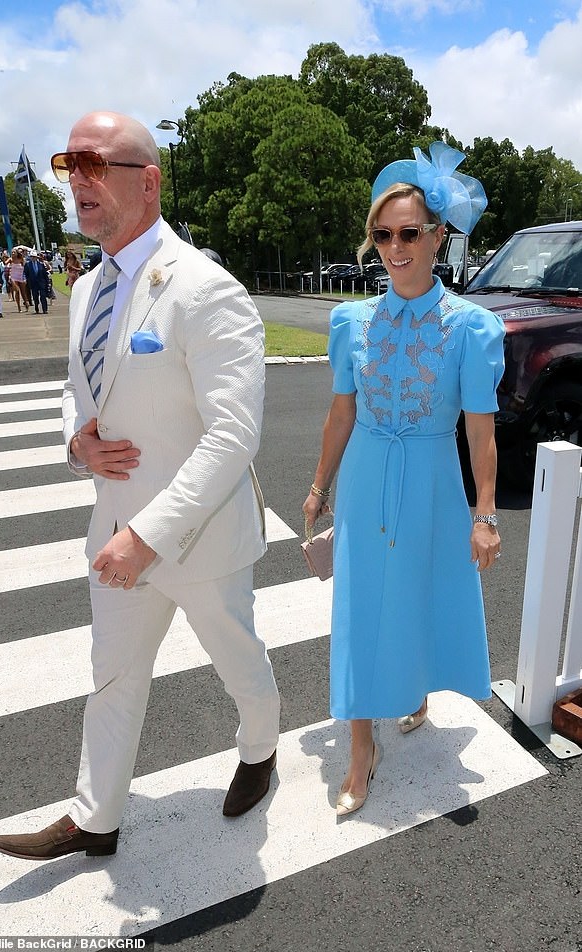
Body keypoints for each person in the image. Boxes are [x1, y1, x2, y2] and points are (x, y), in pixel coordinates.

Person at [0, 110, 280, 861]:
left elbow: (232, 434)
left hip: (196, 537)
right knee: (112, 676)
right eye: (68, 164)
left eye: (93, 164)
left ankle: (260, 749)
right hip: (113, 527)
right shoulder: (88, 287)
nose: (77, 181)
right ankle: (97, 817)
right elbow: (77, 389)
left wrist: (147, 535)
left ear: (146, 183)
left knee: (237, 661)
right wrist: (75, 438)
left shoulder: (207, 290)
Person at [302, 142, 505, 817]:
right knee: (358, 607)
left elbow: (480, 431)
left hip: (431, 481)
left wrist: (484, 514)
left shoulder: (472, 329)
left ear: (437, 236)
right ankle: (361, 750)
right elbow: (340, 412)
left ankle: (414, 691)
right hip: (364, 477)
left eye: (408, 233)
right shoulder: (351, 321)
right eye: (382, 234)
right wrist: (319, 485)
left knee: (418, 591)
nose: (394, 246)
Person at [24, 249, 50, 314]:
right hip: (33, 283)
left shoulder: (41, 264)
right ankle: (36, 308)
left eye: (34, 257)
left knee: (43, 296)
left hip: (41, 282)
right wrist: (27, 280)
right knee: (35, 297)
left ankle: (45, 309)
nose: (33, 258)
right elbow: (25, 274)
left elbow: (44, 274)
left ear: (36, 257)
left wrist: (47, 282)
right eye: (32, 257)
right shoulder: (27, 265)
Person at [9, 248, 30, 312]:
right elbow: (5, 262)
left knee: (23, 292)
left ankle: (26, 302)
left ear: (17, 253)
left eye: (14, 252)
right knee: (17, 291)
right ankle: (19, 307)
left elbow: (25, 268)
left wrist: (25, 278)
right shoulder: (10, 260)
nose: (13, 253)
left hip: (21, 277)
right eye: (12, 252)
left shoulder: (21, 259)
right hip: (13, 278)